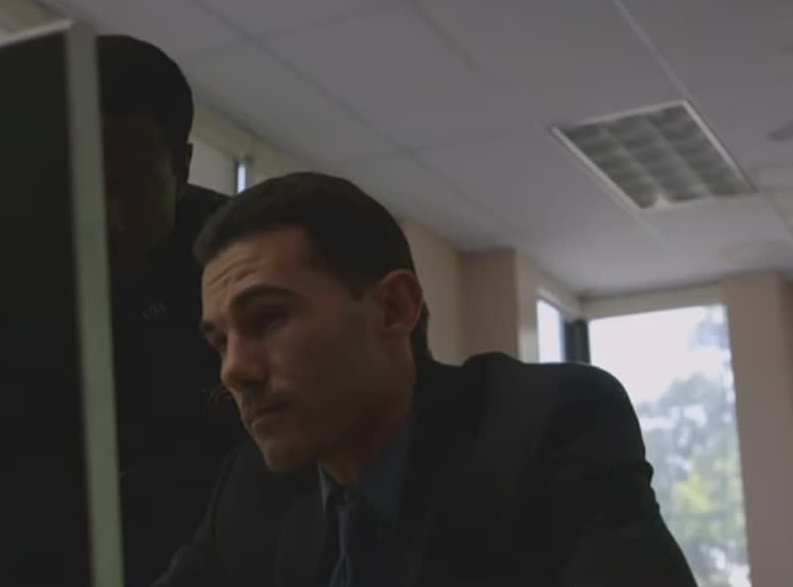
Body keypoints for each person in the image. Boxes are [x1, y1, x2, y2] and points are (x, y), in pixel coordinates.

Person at [158, 172, 696, 586]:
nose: (234, 370)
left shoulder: (544, 428)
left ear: (393, 308)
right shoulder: (252, 491)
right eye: (220, 342)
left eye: (269, 318)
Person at [96, 34, 243, 585]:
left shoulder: (243, 256)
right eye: (86, 188)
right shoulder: (22, 258)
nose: (109, 218)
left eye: (130, 190)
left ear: (180, 166)